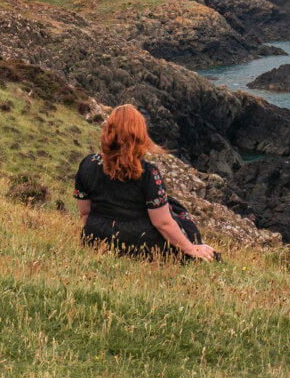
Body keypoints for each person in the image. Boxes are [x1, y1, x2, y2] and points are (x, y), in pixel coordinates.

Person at [73, 104, 216, 261]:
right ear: (139, 135)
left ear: (108, 131)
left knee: (170, 203)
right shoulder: (148, 173)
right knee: (174, 209)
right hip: (139, 243)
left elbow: (85, 212)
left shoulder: (87, 164)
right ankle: (197, 246)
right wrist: (190, 248)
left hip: (95, 239)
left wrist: (96, 236)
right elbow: (162, 223)